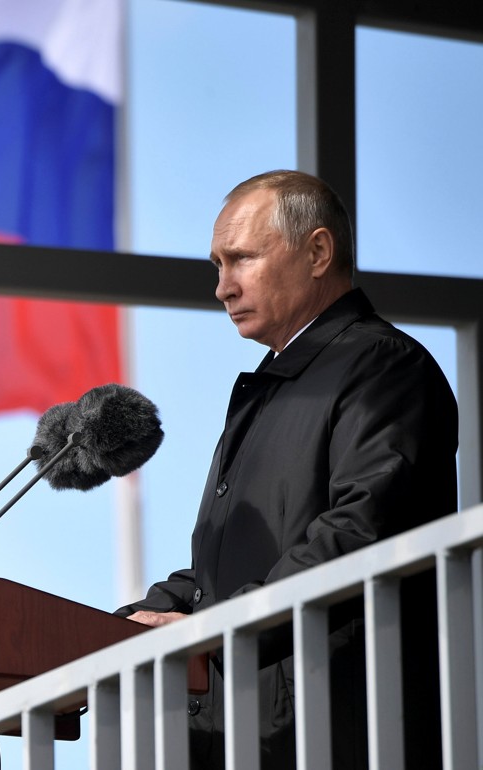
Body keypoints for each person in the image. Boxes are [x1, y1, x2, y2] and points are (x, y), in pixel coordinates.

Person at [116, 170, 459, 769]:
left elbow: (358, 534)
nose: (222, 288)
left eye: (241, 259)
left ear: (318, 251)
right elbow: (214, 573)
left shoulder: (384, 366)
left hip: (336, 731)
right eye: (216, 266)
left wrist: (211, 632)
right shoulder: (268, 388)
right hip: (244, 730)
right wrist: (118, 630)